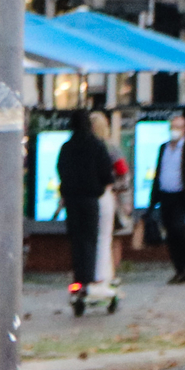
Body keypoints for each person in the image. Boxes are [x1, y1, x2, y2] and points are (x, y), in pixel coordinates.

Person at [56, 110, 118, 314]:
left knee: (76, 240)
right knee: (91, 240)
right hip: (92, 200)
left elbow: (61, 170)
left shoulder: (67, 147)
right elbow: (107, 175)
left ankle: (78, 281)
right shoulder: (97, 146)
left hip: (72, 200)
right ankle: (90, 281)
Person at [150, 123, 185, 285]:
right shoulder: (164, 148)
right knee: (170, 232)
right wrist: (153, 198)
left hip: (182, 195)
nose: (174, 131)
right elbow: (158, 171)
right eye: (172, 127)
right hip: (165, 194)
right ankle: (179, 269)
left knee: (177, 227)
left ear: (184, 130)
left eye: (178, 127)